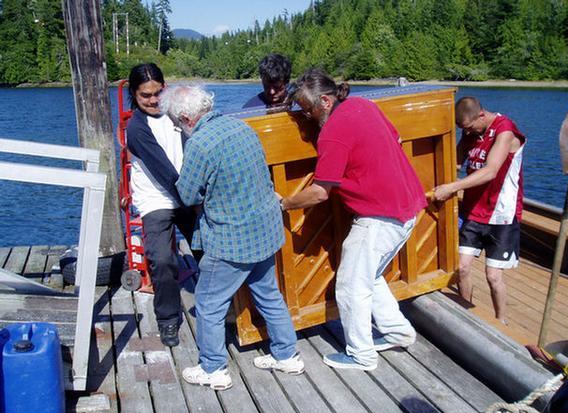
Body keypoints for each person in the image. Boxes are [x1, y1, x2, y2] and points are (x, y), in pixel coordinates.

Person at [281, 69, 427, 371]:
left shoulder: (333, 131)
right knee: (369, 277)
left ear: (324, 100)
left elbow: (321, 192)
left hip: (380, 217)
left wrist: (286, 203)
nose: (306, 116)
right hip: (408, 207)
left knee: (349, 286)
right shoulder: (364, 106)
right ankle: (398, 332)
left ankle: (361, 355)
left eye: (307, 109)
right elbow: (396, 139)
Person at [160, 85, 304, 391]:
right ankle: (286, 354)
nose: (177, 129)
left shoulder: (200, 144)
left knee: (209, 303)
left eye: (175, 123)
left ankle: (213, 368)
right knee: (268, 294)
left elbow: (186, 194)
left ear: (186, 118)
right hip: (264, 230)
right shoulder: (242, 127)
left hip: (231, 240)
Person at [433, 96, 526, 325]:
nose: (467, 132)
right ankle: (467, 315)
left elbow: (491, 171)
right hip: (472, 211)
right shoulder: (470, 133)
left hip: (500, 214)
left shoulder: (505, 131)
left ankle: (501, 322)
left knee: (493, 276)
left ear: (481, 115)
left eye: (469, 127)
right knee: (461, 268)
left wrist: (452, 187)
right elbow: (454, 163)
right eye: (462, 129)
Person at [125, 63, 198, 347]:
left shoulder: (176, 115)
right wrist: (194, 201)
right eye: (146, 95)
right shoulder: (136, 128)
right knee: (162, 260)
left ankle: (223, 306)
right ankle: (168, 319)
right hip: (158, 198)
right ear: (135, 94)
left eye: (158, 92)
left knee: (209, 249)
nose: (154, 100)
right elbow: (164, 172)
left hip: (186, 191)